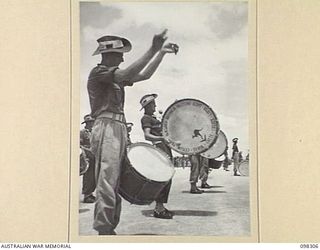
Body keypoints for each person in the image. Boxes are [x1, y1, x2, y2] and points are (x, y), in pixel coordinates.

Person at [87, 30, 176, 235]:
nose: (123, 58)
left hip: (117, 127)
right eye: (119, 54)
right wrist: (152, 49)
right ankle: (104, 230)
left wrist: (160, 53)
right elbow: (127, 73)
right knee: (108, 180)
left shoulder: (114, 77)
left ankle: (109, 227)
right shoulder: (98, 72)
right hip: (106, 125)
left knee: (115, 181)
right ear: (107, 54)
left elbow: (143, 74)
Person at [140, 94, 174, 219]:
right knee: (164, 177)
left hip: (164, 147)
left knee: (167, 177)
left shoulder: (154, 118)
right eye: (153, 104)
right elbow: (147, 136)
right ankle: (159, 209)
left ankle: (160, 207)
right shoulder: (146, 118)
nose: (155, 106)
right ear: (148, 106)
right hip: (159, 147)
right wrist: (162, 138)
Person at [80, 114, 96, 203]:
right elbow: (79, 144)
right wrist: (87, 149)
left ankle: (90, 194)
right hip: (87, 157)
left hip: (95, 156)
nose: (91, 124)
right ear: (86, 123)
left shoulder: (95, 132)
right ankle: (87, 195)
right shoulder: (82, 133)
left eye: (92, 122)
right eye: (89, 122)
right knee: (88, 176)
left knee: (94, 176)